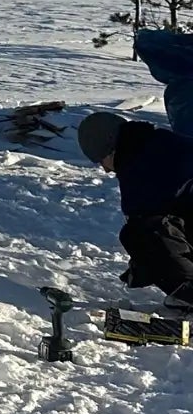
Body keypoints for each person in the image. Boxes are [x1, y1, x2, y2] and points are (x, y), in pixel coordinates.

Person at [77, 111, 193, 306]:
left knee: (137, 233)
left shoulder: (137, 163)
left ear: (111, 150)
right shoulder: (161, 142)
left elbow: (145, 224)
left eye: (102, 161)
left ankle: (189, 293)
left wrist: (147, 266)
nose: (105, 170)